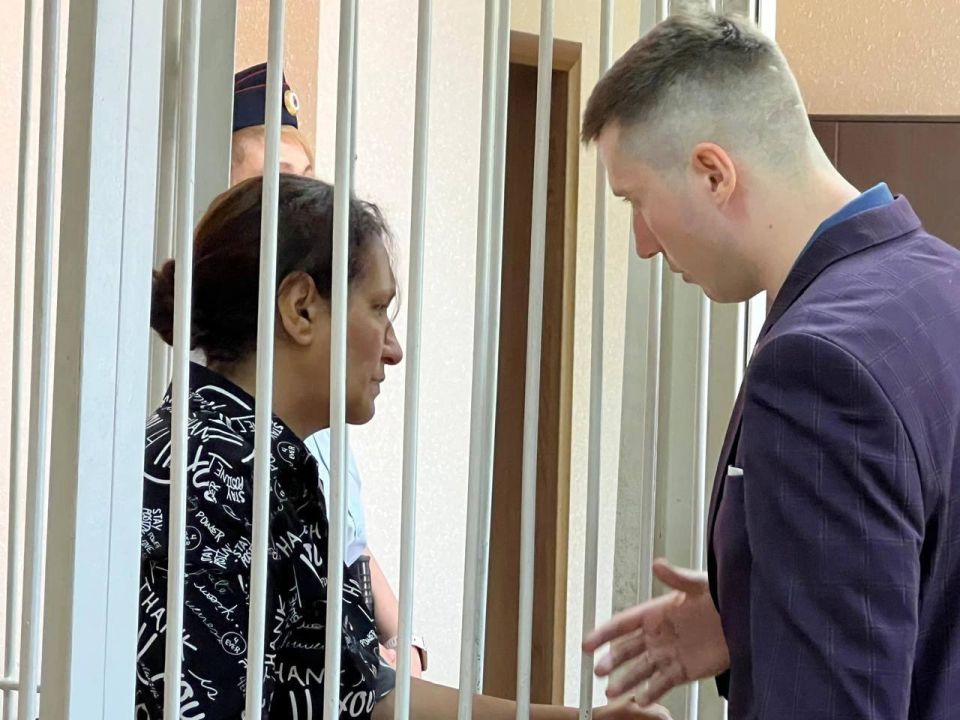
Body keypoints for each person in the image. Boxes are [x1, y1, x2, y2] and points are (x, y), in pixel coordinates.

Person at [138, 173, 670, 719]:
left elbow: (364, 696)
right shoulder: (215, 480)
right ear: (301, 308)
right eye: (378, 307)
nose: (392, 348)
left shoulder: (263, 465)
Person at [579, 9, 960, 720]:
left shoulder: (817, 368)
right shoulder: (945, 285)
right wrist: (754, 618)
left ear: (712, 174)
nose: (642, 243)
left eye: (637, 201)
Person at [230, 62, 426, 675]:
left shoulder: (312, 414)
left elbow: (350, 545)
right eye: (280, 178)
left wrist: (403, 646)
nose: (392, 349)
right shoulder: (216, 456)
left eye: (308, 177)